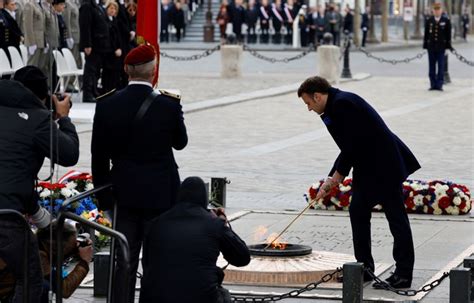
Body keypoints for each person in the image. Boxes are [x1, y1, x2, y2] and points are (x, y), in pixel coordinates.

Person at [297, 76, 420, 289]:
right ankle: (364, 268)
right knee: (358, 212)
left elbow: (353, 143)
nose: (308, 108)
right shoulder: (335, 105)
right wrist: (333, 177)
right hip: (367, 167)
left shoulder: (343, 104)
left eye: (308, 103)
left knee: (396, 218)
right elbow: (349, 146)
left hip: (384, 166)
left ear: (317, 96)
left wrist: (336, 176)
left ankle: (403, 273)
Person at [91, 44, 188, 302]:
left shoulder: (107, 104)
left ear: (126, 70)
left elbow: (98, 157)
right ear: (153, 72)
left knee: (124, 259)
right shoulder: (168, 104)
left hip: (124, 193)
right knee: (157, 260)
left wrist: (105, 201)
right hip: (161, 194)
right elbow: (180, 142)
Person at [0, 65, 79, 302]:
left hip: (12, 208)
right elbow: (68, 154)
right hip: (7, 218)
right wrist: (63, 118)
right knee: (31, 281)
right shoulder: (37, 118)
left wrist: (37, 212)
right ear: (44, 97)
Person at [139, 177, 251, 303]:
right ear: (204, 199)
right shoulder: (213, 224)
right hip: (200, 297)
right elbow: (242, 257)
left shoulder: (155, 224)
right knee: (223, 295)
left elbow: (147, 264)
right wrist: (222, 224)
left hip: (155, 297)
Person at [0, 223, 93, 302]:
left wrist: (74, 252)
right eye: (71, 246)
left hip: (10, 292)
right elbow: (64, 290)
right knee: (42, 287)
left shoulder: (33, 245)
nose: (74, 247)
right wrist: (84, 262)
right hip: (10, 296)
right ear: (56, 246)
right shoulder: (37, 256)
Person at [79, 0, 111, 102]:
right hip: (93, 45)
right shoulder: (87, 6)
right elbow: (85, 26)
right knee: (90, 70)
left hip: (100, 45)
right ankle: (87, 94)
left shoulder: (97, 5)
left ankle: (93, 91)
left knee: (96, 70)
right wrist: (87, 44)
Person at [423, 2, 452, 91]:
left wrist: (448, 47)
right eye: (435, 10)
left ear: (441, 10)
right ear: (433, 11)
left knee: (441, 66)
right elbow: (426, 34)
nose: (437, 11)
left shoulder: (446, 21)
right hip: (431, 47)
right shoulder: (429, 21)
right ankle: (433, 84)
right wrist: (425, 46)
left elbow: (448, 35)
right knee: (431, 67)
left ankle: (439, 85)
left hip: (441, 48)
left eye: (438, 10)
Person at [101, 0, 122, 94]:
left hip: (116, 51)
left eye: (114, 8)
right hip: (109, 51)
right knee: (107, 72)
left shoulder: (115, 21)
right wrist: (114, 49)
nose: (113, 10)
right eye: (111, 8)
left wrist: (119, 48)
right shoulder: (105, 21)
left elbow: (118, 37)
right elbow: (108, 38)